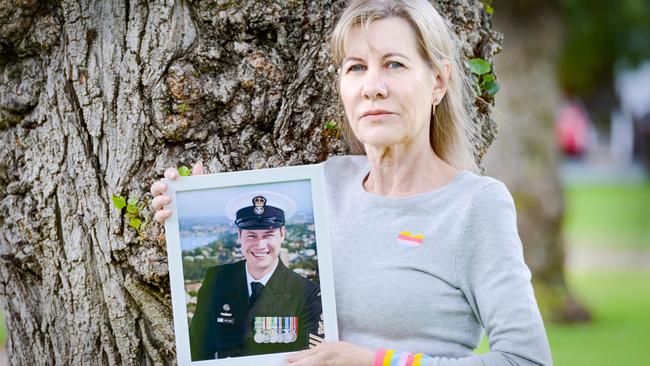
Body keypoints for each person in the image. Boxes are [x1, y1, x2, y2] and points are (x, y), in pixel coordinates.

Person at [151, 0, 553, 365]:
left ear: (438, 82)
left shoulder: (473, 205)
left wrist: (373, 362)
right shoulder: (326, 182)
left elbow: (526, 359)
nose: (372, 86)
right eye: (356, 67)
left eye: (394, 64)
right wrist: (188, 204)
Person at [187, 191, 322, 360]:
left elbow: (311, 360)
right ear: (239, 236)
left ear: (282, 234)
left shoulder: (307, 293)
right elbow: (197, 348)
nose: (260, 245)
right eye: (251, 235)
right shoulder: (217, 279)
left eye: (268, 235)